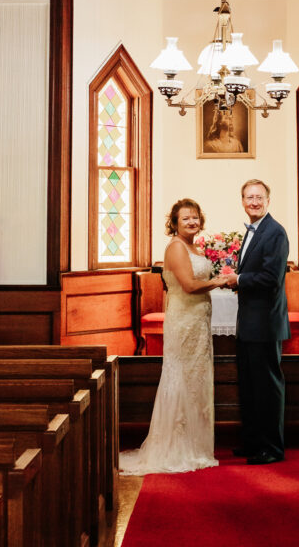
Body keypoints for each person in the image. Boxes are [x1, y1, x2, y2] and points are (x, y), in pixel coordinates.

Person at [119, 198, 229, 474]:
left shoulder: (195, 246)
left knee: (196, 380)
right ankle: (176, 447)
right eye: (185, 219)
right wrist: (221, 280)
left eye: (195, 217)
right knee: (180, 378)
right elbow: (190, 286)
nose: (191, 222)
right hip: (184, 322)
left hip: (198, 322)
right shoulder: (177, 248)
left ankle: (195, 445)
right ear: (175, 223)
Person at [224, 179, 290, 464]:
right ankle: (253, 442)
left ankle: (272, 449)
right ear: (242, 201)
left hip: (265, 324)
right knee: (250, 387)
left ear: (268, 201)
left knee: (268, 388)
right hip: (249, 324)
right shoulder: (253, 231)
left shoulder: (275, 232)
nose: (254, 202)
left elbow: (271, 279)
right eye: (249, 197)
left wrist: (237, 279)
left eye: (259, 197)